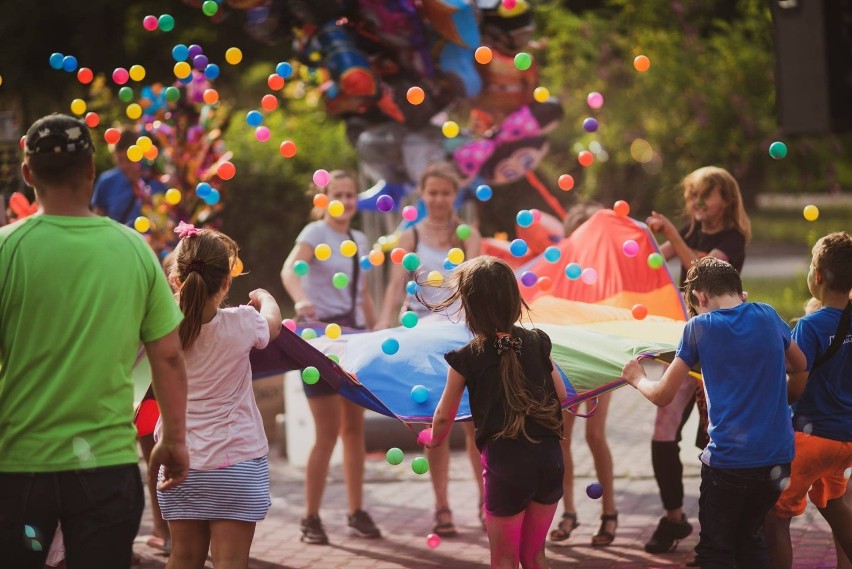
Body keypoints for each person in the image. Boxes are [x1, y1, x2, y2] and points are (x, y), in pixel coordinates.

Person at [0, 113, 188, 568]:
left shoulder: (5, 248)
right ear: (90, 171)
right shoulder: (134, 250)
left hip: (20, 470)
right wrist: (175, 440)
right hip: (106, 471)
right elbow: (168, 355)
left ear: (28, 174)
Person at [622, 257, 807, 569]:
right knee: (750, 540)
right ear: (740, 292)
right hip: (777, 459)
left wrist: (637, 377)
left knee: (715, 550)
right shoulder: (767, 315)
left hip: (729, 463)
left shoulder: (699, 327)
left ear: (700, 298)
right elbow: (800, 365)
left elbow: (663, 395)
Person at [426, 256, 567, 569]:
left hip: (507, 466)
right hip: (549, 460)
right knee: (535, 556)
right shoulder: (538, 341)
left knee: (503, 559)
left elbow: (444, 416)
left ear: (471, 308)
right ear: (515, 300)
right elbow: (560, 393)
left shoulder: (467, 357)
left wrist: (433, 439)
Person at [157, 223, 281, 568]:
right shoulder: (243, 323)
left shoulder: (158, 328)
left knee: (182, 557)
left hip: (179, 464)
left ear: (174, 279)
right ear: (226, 283)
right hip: (237, 465)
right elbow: (272, 324)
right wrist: (265, 297)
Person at [641, 165, 751, 553]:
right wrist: (637, 238)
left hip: (718, 353)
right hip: (686, 344)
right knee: (661, 436)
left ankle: (720, 537)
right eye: (692, 194)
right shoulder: (690, 231)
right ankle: (673, 519)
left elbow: (703, 271)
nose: (698, 202)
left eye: (707, 194)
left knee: (711, 443)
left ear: (727, 199)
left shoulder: (733, 238)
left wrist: (671, 233)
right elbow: (652, 258)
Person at [375, 161, 483, 536]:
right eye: (432, 192)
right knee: (433, 426)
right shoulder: (410, 234)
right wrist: (383, 324)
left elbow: (480, 285)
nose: (438, 199)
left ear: (455, 195)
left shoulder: (467, 233)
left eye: (445, 192)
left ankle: (487, 504)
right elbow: (394, 285)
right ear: (423, 195)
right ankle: (442, 507)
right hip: (421, 338)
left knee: (475, 426)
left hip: (463, 339)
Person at [280, 169, 382, 544]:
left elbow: (363, 293)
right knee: (326, 434)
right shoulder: (313, 234)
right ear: (323, 198)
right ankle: (310, 517)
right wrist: (300, 299)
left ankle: (356, 512)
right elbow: (290, 269)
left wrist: (377, 332)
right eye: (337, 193)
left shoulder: (359, 238)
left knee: (355, 432)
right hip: (320, 341)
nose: (345, 200)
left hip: (353, 342)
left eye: (351, 194)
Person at [764, 231, 852, 569]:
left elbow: (796, 388)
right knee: (834, 505)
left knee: (775, 517)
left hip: (811, 438)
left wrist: (770, 395)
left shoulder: (810, 326)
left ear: (817, 275)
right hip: (846, 438)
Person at [547, 201, 617, 547]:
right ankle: (569, 512)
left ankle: (609, 512)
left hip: (600, 360)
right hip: (566, 362)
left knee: (595, 435)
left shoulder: (608, 274)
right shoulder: (561, 270)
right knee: (561, 437)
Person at [91, 127, 165, 225]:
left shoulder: (158, 182)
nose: (124, 165)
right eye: (120, 160)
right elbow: (98, 221)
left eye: (129, 159)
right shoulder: (107, 181)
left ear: (141, 155)